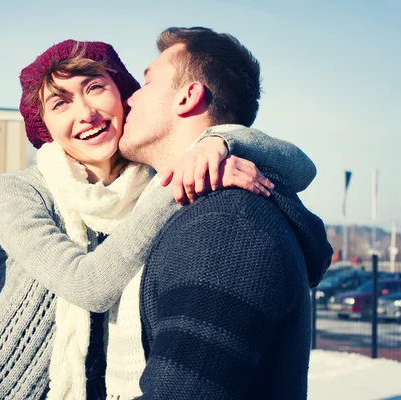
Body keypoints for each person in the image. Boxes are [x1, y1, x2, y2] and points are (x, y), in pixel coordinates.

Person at [0, 38, 318, 400]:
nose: (85, 112)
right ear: (45, 127)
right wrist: (176, 182)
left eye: (94, 87)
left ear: (123, 96)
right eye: (60, 103)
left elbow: (300, 167)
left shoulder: (158, 180)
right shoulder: (18, 191)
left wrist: (218, 141)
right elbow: (89, 285)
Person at [115, 27, 332, 399]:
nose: (131, 98)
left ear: (188, 96)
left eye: (147, 82)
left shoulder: (227, 227)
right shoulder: (191, 214)